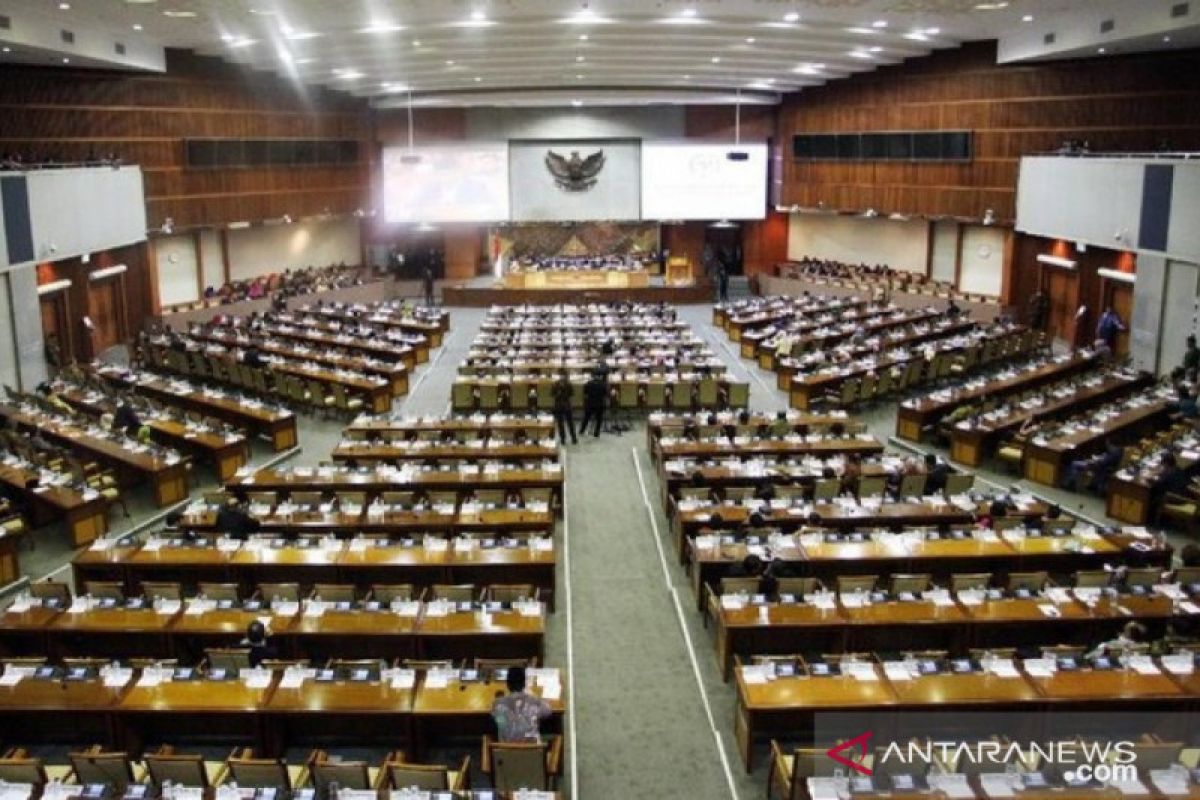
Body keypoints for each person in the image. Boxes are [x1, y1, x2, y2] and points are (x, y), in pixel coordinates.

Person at [491, 666, 552, 743]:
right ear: (524, 684)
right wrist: (533, 695)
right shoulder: (534, 702)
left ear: (507, 684)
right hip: (533, 752)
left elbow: (496, 717)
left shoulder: (497, 704)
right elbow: (548, 710)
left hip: (505, 752)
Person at [551, 371, 577, 445]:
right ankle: (563, 438)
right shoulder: (556, 384)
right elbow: (552, 394)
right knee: (560, 423)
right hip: (560, 405)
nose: (562, 377)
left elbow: (571, 394)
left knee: (570, 423)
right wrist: (557, 394)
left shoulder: (568, 384)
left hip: (565, 405)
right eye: (561, 376)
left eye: (563, 376)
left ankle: (573, 437)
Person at [579, 371, 607, 438]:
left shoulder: (588, 383)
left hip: (590, 403)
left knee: (586, 418)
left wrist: (585, 402)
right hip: (600, 404)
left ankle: (582, 431)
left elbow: (585, 394)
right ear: (600, 376)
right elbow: (605, 394)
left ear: (592, 376)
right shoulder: (603, 384)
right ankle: (596, 433)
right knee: (599, 420)